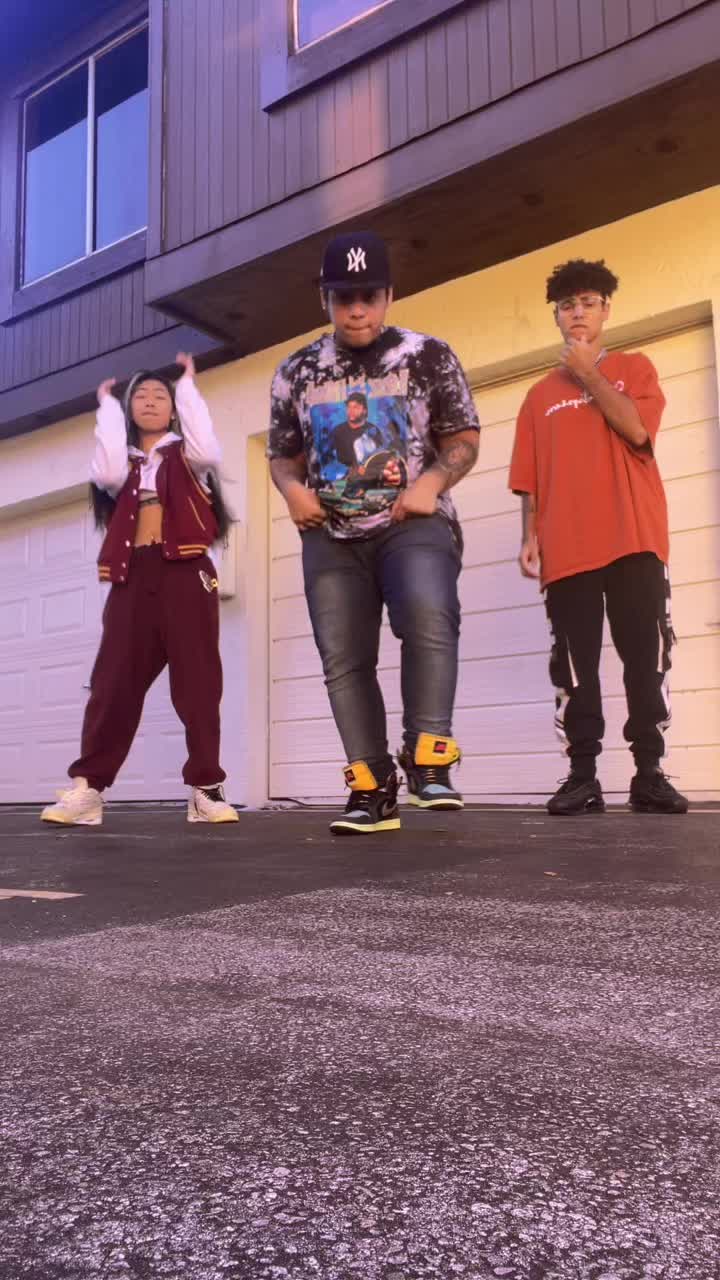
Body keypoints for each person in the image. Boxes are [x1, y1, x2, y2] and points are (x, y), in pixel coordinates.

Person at [268, 230, 480, 834]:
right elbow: (284, 457)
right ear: (325, 299)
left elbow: (463, 437)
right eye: (343, 297)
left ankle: (429, 757)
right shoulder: (296, 371)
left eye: (368, 296)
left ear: (389, 295)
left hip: (411, 522)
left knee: (428, 617)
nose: (356, 309)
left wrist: (432, 481)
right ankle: (372, 787)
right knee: (343, 659)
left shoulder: (427, 355)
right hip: (330, 535)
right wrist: (293, 491)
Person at [509, 258, 688, 815]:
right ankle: (582, 776)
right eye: (567, 305)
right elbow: (529, 478)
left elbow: (636, 429)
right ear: (557, 317)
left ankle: (649, 774)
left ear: (606, 309)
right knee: (574, 668)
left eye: (588, 302)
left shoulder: (635, 368)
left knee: (646, 658)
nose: (578, 312)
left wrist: (590, 373)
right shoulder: (538, 396)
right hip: (567, 547)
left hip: (635, 536)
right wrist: (529, 534)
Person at [41, 353, 239, 826]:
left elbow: (207, 444)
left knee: (198, 682)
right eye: (141, 396)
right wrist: (108, 409)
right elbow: (107, 468)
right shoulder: (122, 466)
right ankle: (89, 790)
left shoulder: (189, 455)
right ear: (131, 409)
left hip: (186, 571)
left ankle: (206, 789)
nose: (150, 401)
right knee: (112, 683)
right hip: (132, 576)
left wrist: (187, 386)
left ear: (173, 409)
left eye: (160, 396)